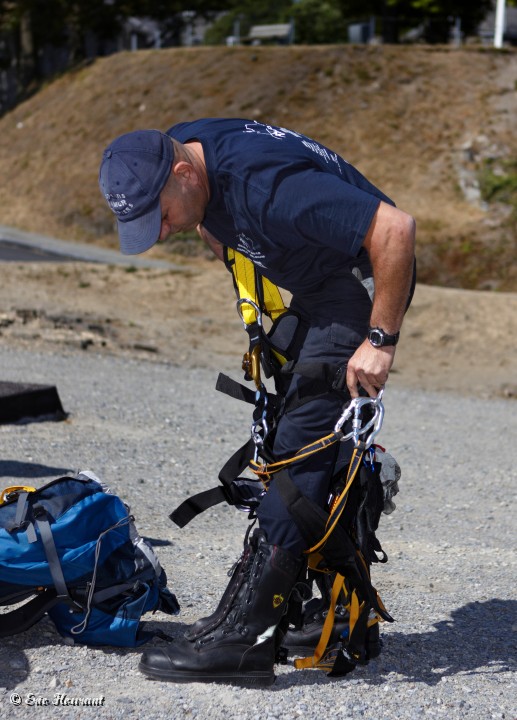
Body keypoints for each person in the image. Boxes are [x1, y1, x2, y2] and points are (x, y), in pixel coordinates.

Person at [98, 119, 416, 686]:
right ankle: (340, 616)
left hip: (354, 291)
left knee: (298, 455)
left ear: (183, 173)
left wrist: (379, 342)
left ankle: (244, 641)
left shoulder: (264, 184)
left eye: (162, 215)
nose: (163, 231)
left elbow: (395, 230)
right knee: (302, 439)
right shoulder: (184, 152)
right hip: (316, 288)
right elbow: (215, 222)